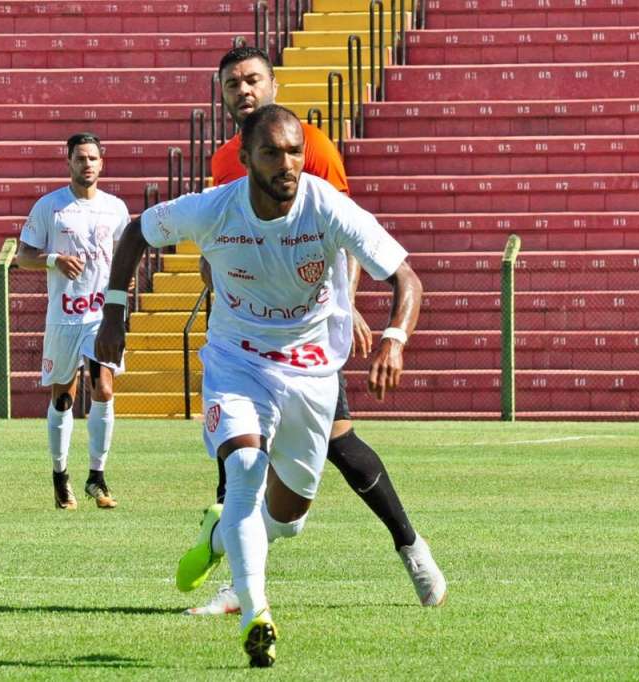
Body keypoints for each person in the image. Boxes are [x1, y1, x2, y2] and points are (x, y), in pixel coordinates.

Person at [96, 105, 425, 667]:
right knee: (245, 470)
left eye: (295, 151)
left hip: (310, 372)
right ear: (246, 158)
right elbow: (136, 232)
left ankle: (217, 536)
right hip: (237, 362)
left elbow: (405, 277)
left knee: (290, 519)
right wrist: (114, 311)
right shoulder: (212, 208)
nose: (287, 163)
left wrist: (394, 338)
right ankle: (256, 614)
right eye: (272, 152)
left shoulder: (326, 206)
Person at [186, 46, 446, 617]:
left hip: (307, 333)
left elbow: (342, 230)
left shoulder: (311, 145)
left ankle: (410, 545)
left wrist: (347, 306)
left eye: (253, 80)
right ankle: (241, 586)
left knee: (341, 444)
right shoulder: (225, 160)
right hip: (245, 335)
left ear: (273, 85)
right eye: (232, 84)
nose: (243, 91)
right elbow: (222, 238)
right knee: (240, 456)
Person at [16, 132, 129, 510]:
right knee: (64, 396)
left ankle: (97, 477)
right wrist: (54, 260)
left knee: (104, 389)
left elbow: (125, 256)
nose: (87, 164)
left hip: (101, 316)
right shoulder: (50, 207)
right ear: (68, 162)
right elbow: (23, 256)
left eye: (93, 158)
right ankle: (60, 476)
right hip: (64, 317)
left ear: (102, 163)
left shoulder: (115, 208)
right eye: (80, 158)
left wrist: (121, 287)